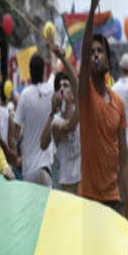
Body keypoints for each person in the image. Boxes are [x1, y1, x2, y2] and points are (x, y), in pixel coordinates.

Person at [78, 0, 128, 220]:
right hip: (88, 199)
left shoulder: (119, 104)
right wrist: (92, 9)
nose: (95, 56)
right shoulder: (85, 94)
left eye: (100, 52)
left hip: (113, 201)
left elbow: (124, 161)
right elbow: (82, 52)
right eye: (92, 53)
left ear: (109, 62)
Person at [40, 44, 80, 194]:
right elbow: (70, 126)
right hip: (65, 187)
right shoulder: (55, 122)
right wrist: (51, 112)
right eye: (59, 86)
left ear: (72, 92)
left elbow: (78, 87)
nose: (62, 88)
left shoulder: (81, 112)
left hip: (82, 185)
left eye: (66, 85)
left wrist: (63, 58)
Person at [12, 53, 55, 186]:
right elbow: (54, 69)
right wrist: (51, 51)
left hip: (28, 171)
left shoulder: (24, 95)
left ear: (30, 72)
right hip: (44, 170)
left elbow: (15, 133)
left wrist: (25, 124)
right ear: (43, 71)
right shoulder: (50, 90)